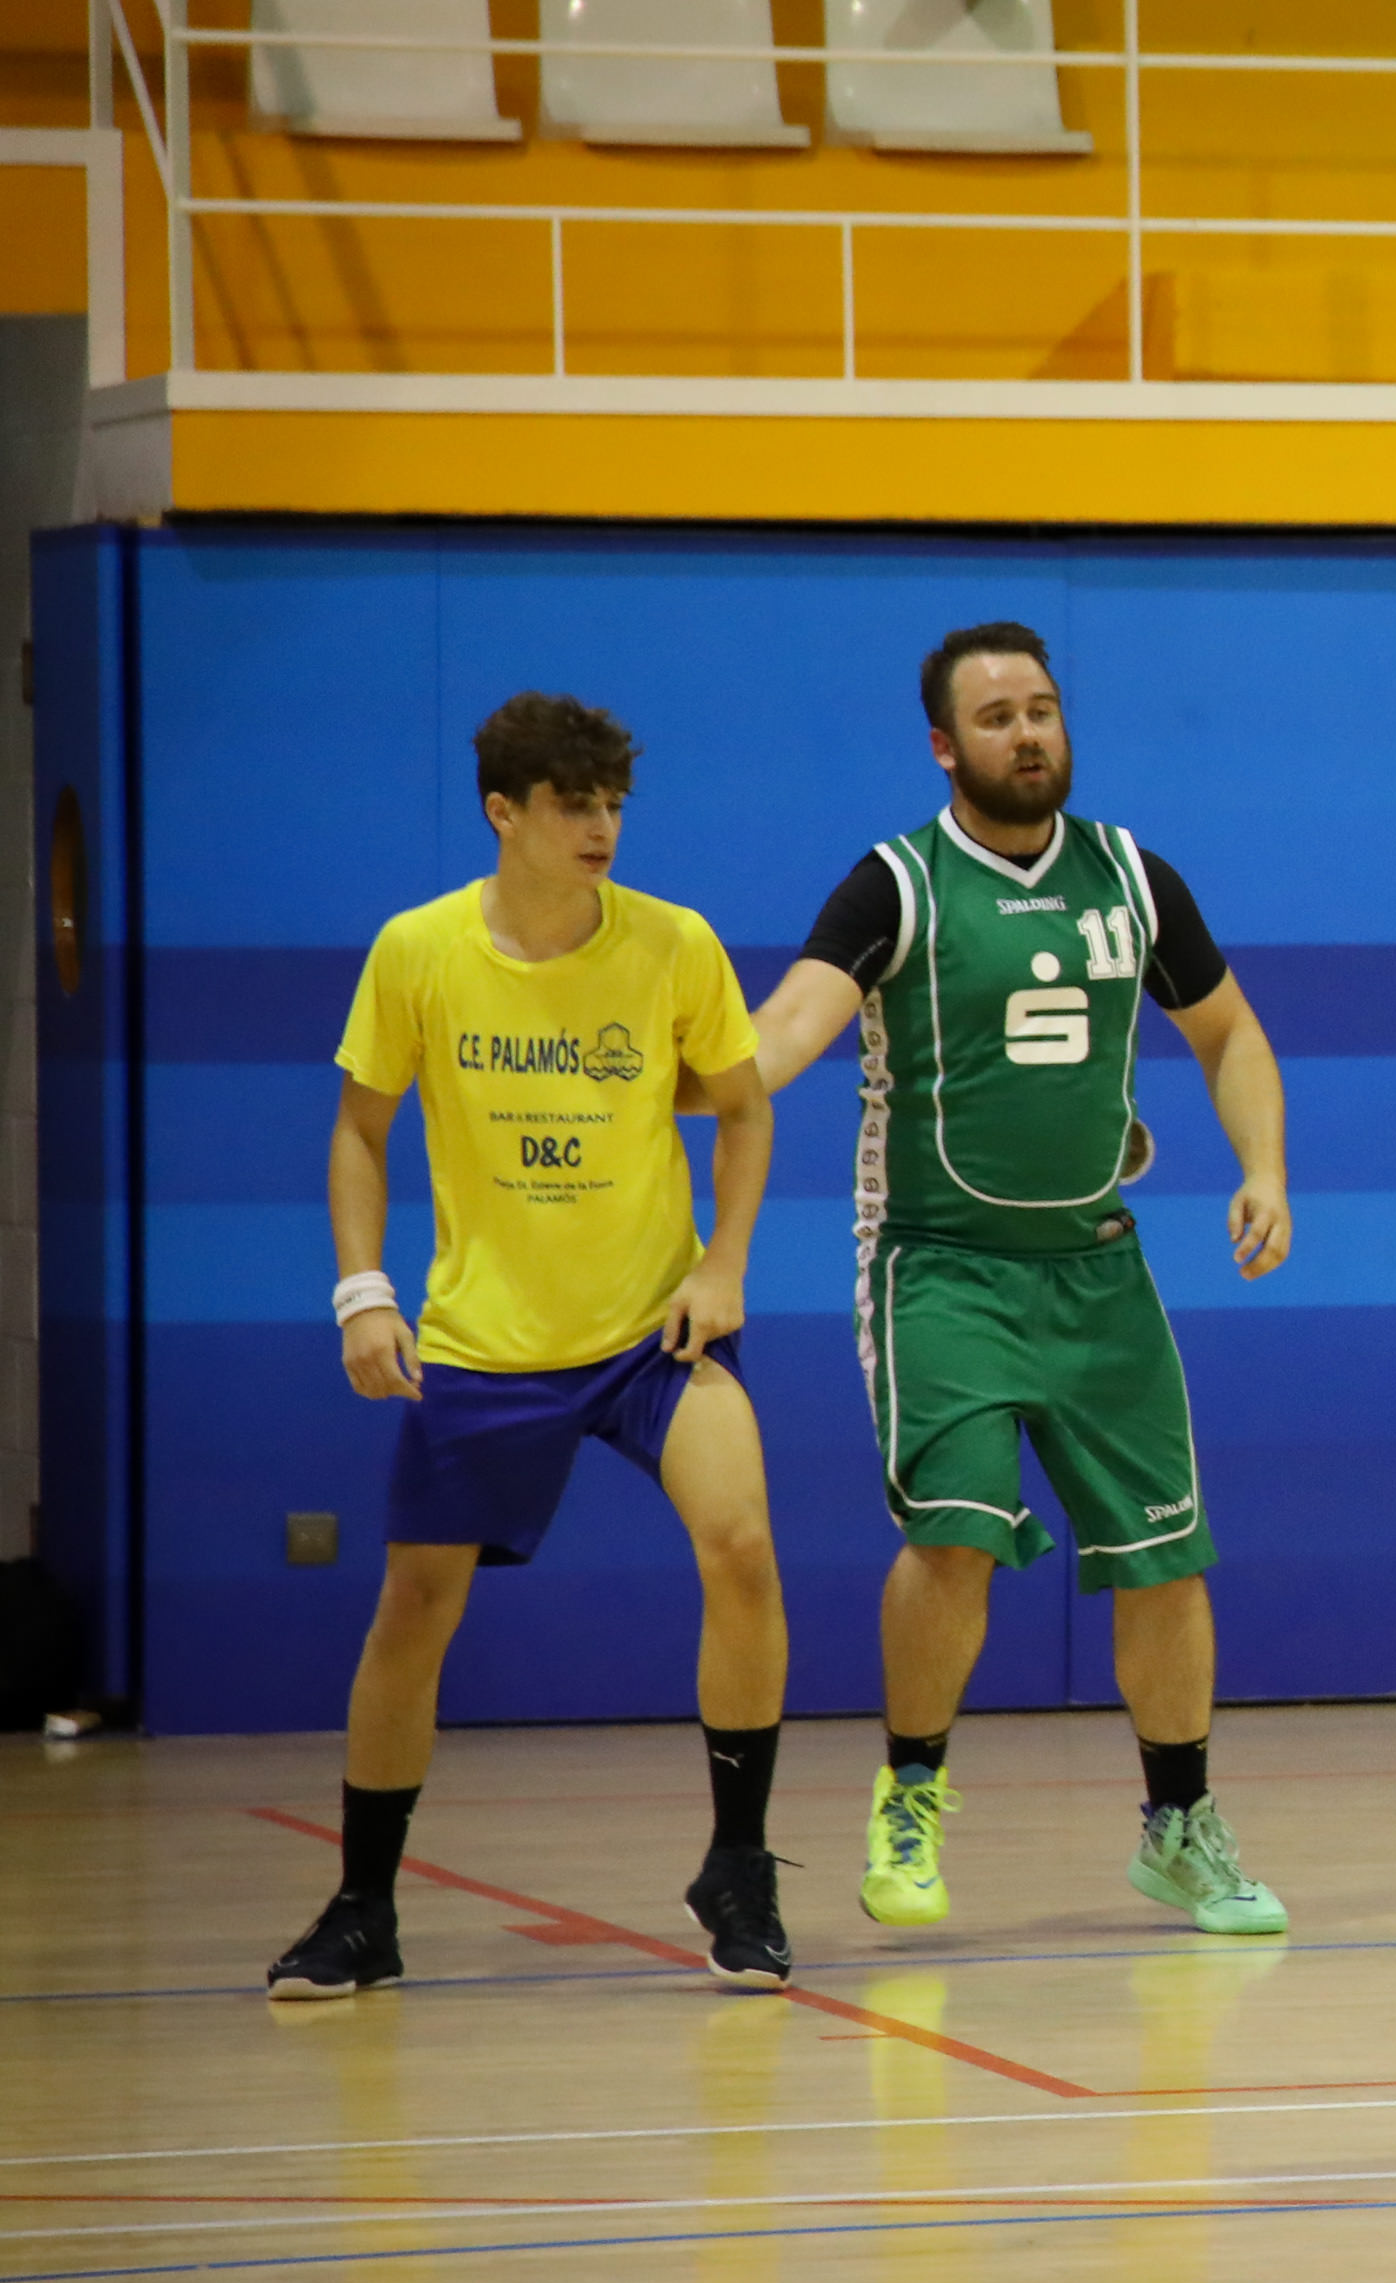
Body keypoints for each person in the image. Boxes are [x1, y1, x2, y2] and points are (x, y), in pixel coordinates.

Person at [737, 621, 1296, 1938]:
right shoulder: (896, 884)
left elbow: (1229, 1032)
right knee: (957, 1534)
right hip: (941, 1269)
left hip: (1098, 1268)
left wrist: (1263, 1167)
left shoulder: (1132, 875)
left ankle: (1179, 1826)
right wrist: (684, 1079)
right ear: (945, 746)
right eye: (996, 717)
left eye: (1041, 708)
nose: (1028, 732)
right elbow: (789, 1027)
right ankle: (911, 1794)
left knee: (1166, 1557)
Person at [266, 693, 792, 2000]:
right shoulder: (419, 950)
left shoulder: (674, 943)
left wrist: (723, 1263)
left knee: (740, 1543)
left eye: (612, 803)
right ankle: (364, 1907)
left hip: (651, 1331)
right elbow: (360, 1129)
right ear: (504, 811)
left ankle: (739, 1867)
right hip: (487, 1344)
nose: (600, 826)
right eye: (571, 804)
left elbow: (742, 1107)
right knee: (415, 1608)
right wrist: (362, 1292)